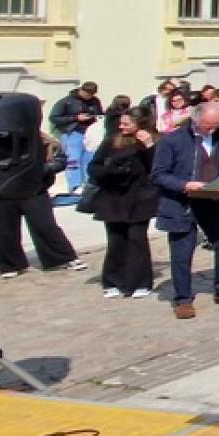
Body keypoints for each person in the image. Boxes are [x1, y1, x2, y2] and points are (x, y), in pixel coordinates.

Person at [150, 98, 219, 318]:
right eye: (208, 125)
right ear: (195, 120)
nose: (212, 129)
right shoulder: (172, 141)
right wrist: (184, 185)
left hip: (214, 200)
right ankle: (183, 298)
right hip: (182, 202)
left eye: (216, 125)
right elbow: (158, 175)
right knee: (182, 251)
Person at [86, 109, 159, 299]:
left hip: (139, 198)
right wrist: (109, 172)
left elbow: (157, 169)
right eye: (121, 123)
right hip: (113, 197)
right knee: (116, 240)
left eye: (126, 123)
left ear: (140, 123)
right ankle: (112, 281)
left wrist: (149, 146)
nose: (121, 126)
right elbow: (94, 166)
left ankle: (140, 282)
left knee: (137, 240)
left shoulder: (153, 140)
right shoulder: (112, 140)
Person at [47, 81, 103, 194]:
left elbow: (100, 113)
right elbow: (54, 117)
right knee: (74, 159)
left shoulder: (95, 101)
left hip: (90, 133)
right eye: (87, 93)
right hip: (72, 132)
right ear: (81, 90)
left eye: (92, 94)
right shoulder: (66, 101)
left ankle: (89, 184)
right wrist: (76, 118)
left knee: (89, 159)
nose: (89, 96)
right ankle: (74, 185)